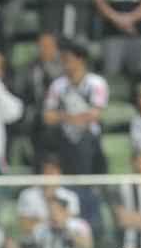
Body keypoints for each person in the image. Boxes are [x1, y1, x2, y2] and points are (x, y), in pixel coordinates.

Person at [42, 38, 109, 177]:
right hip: (64, 139)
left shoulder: (96, 83)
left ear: (80, 60)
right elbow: (48, 117)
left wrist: (61, 116)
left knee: (84, 144)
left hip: (90, 139)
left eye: (68, 59)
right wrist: (71, 118)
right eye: (63, 59)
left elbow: (95, 115)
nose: (64, 63)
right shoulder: (58, 85)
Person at [93, 0, 141, 80]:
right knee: (110, 73)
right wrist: (116, 18)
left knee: (137, 75)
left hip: (136, 34)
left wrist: (130, 19)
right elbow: (99, 1)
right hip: (111, 35)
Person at [16, 155, 81, 238]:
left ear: (59, 173)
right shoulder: (27, 195)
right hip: (35, 241)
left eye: (52, 172)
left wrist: (39, 220)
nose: (49, 176)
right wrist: (51, 220)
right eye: (46, 171)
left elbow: (71, 223)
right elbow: (25, 225)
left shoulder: (70, 196)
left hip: (64, 240)